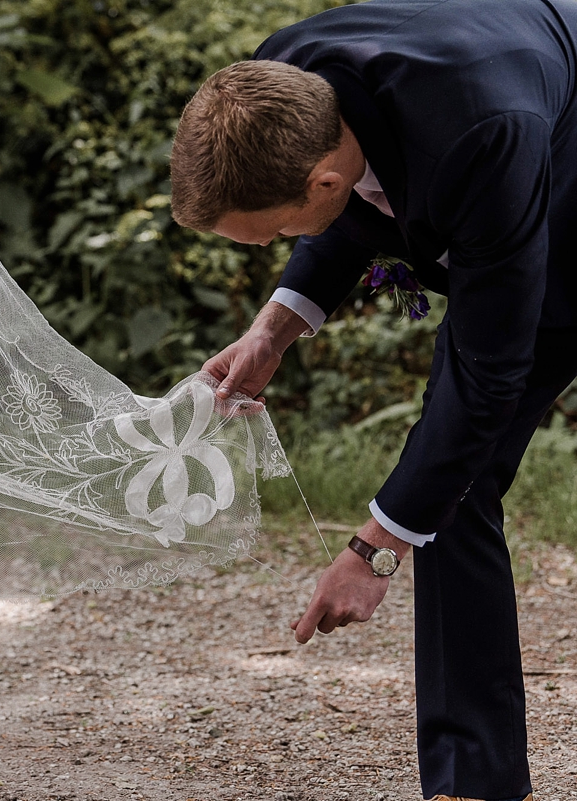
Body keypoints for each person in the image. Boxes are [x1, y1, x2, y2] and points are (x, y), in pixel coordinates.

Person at [168, 0, 577, 799]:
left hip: (557, 170)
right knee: (453, 485)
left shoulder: (479, 135)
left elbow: (491, 371)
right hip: (517, 124)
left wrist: (374, 550)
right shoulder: (283, 80)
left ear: (320, 182)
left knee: (456, 463)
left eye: (273, 234)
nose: (282, 243)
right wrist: (274, 328)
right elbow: (349, 204)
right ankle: (477, 782)